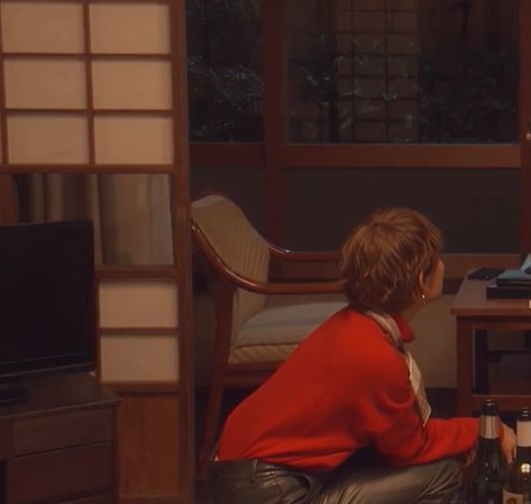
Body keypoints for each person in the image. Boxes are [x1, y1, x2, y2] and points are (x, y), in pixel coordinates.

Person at [208, 208, 515, 503]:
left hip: (251, 475)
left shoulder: (354, 325)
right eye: (436, 258)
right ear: (421, 280)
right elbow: (410, 448)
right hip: (271, 489)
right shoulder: (375, 355)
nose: (441, 264)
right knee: (441, 474)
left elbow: (393, 438)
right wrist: (485, 430)